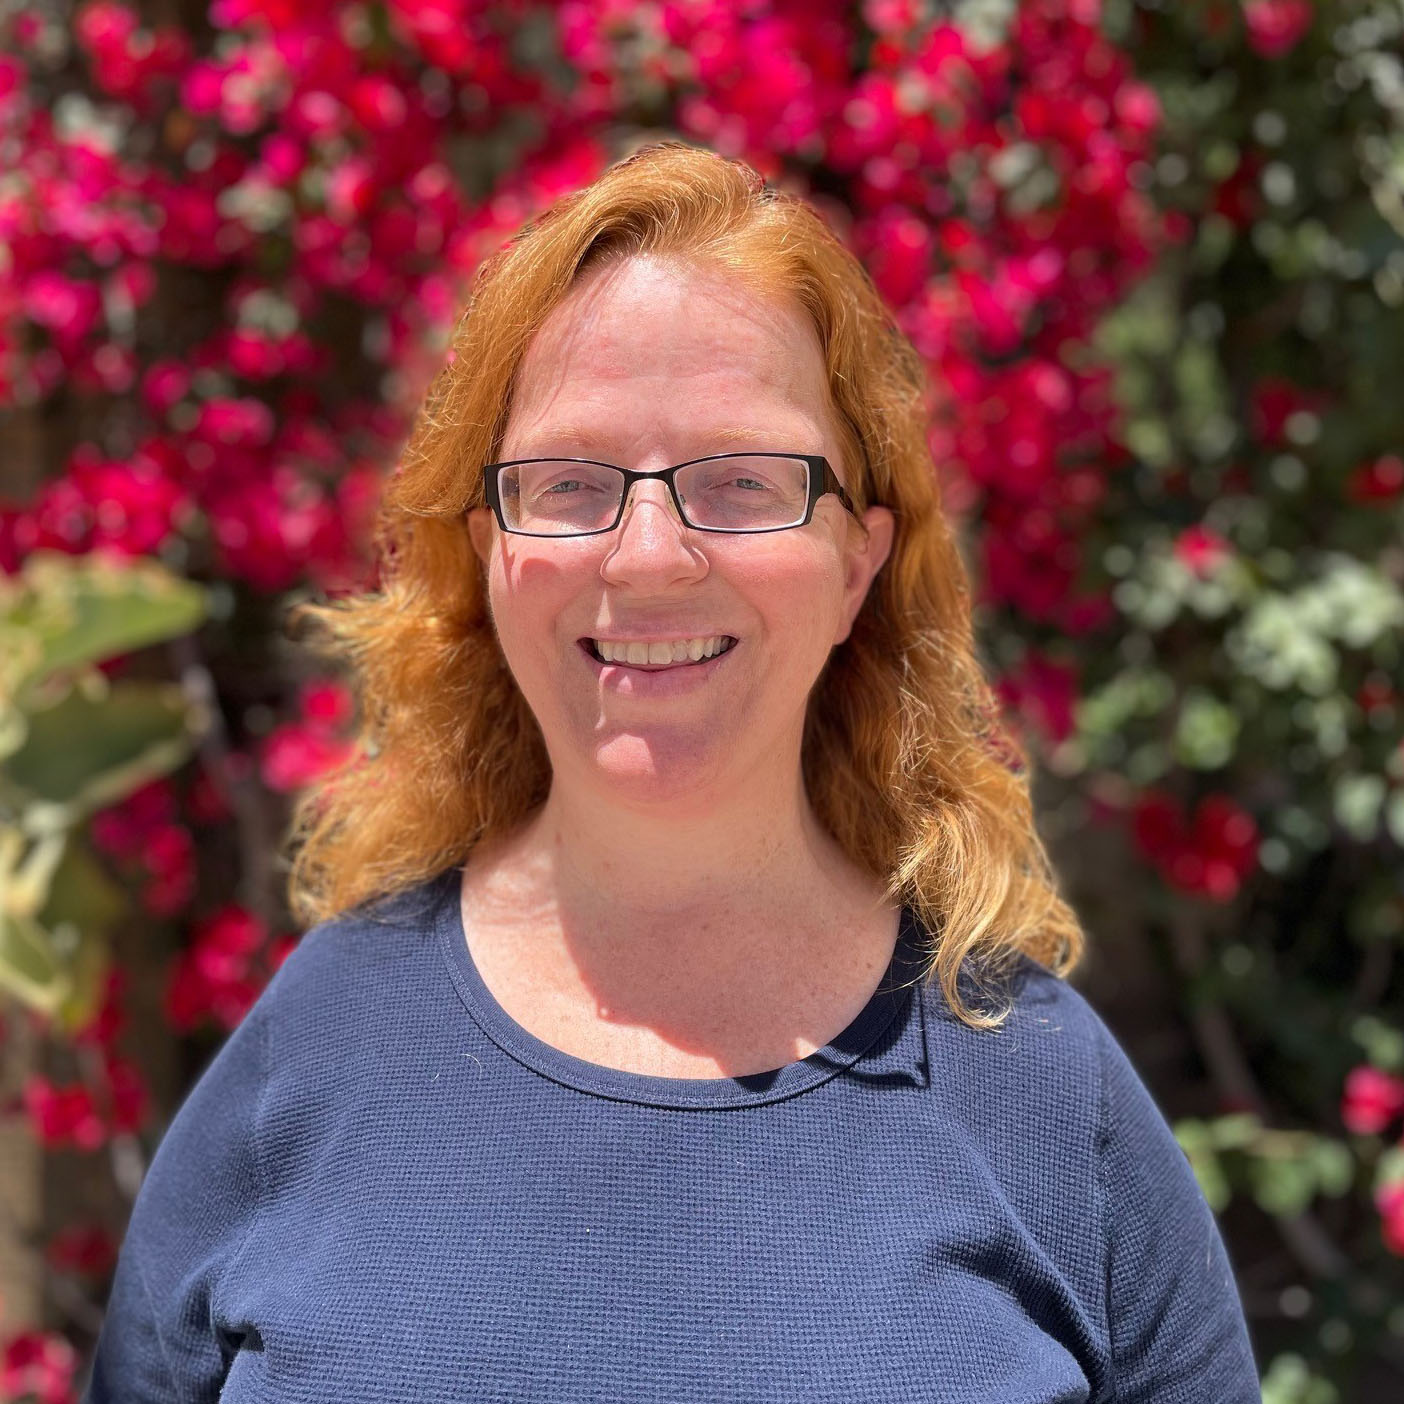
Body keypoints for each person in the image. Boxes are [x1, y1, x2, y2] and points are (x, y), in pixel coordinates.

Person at [82, 141, 1260, 1402]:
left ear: (858, 563)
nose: (647, 557)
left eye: (743, 483)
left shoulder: (1039, 1093)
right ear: (490, 550)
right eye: (572, 483)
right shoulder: (313, 1054)